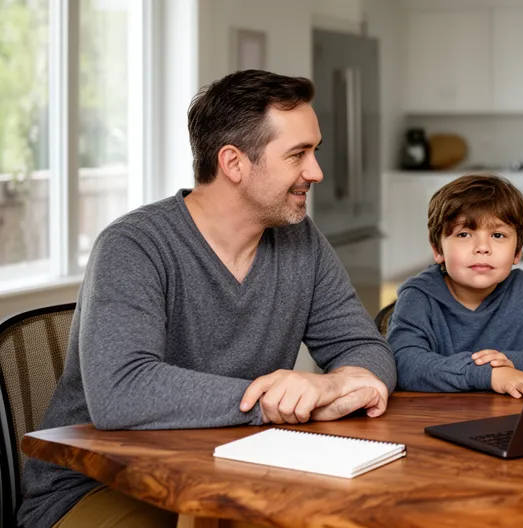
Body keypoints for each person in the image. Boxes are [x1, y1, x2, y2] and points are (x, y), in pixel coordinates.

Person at [19, 70, 397, 528]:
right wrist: (272, 402)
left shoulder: (302, 242)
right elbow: (121, 390)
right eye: (298, 154)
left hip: (236, 470)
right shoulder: (134, 245)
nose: (315, 171)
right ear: (234, 163)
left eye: (314, 151)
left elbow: (366, 347)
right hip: (103, 485)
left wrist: (333, 385)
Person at [387, 173, 523, 398]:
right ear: (437, 249)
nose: (482, 247)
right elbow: (403, 364)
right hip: (437, 416)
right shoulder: (418, 298)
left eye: (498, 235)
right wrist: (488, 373)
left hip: (521, 416)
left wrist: (511, 362)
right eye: (464, 234)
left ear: (517, 251)